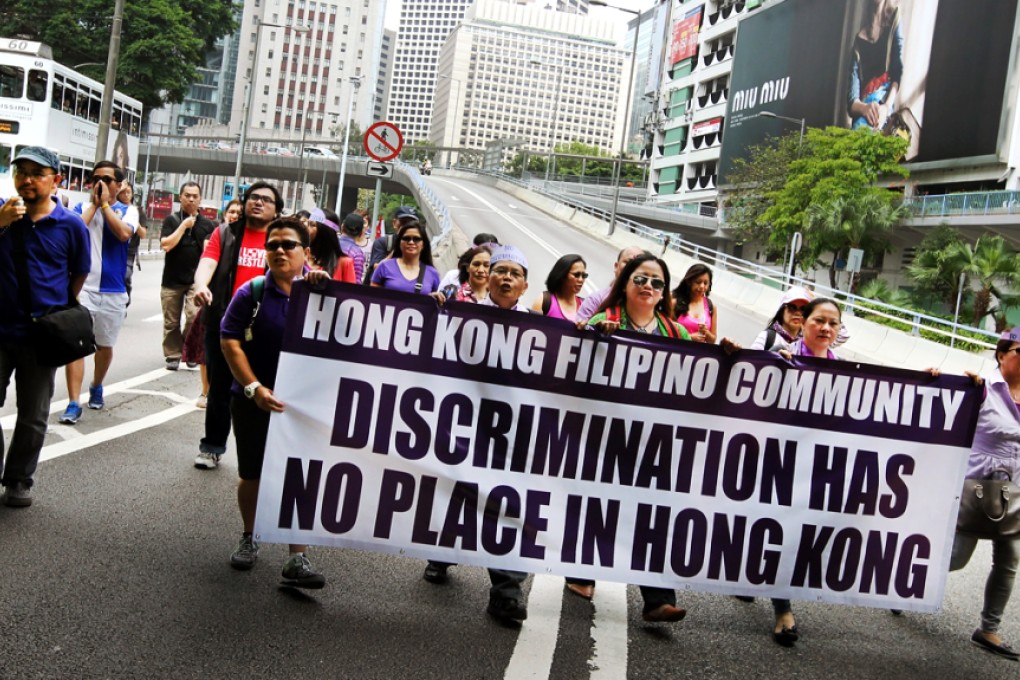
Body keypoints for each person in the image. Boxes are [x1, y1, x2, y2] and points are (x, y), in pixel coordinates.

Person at [573, 251, 690, 623]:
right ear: (625, 284)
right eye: (641, 279)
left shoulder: (677, 333)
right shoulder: (601, 320)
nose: (649, 287)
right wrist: (592, 337)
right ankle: (580, 572)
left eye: (657, 282)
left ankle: (657, 598)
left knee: (650, 516)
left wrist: (727, 353)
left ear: (664, 292)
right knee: (595, 506)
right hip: (602, 437)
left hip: (653, 444)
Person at [422, 245, 534, 625]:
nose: (504, 278)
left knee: (509, 505)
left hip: (515, 432)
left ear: (524, 286)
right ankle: (440, 553)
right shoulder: (465, 317)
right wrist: (434, 312)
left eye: (513, 274)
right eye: (498, 271)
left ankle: (507, 594)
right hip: (466, 423)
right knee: (458, 491)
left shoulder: (543, 330)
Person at [220, 216, 328, 588]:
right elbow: (229, 341)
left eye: (289, 245)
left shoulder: (323, 294)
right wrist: (254, 388)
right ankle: (250, 537)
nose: (279, 251)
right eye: (272, 245)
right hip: (253, 402)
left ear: (306, 252)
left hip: (303, 408)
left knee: (298, 476)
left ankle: (297, 557)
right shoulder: (250, 293)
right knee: (252, 473)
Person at [0, 147, 90, 507]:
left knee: (34, 414)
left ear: (56, 180)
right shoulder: (4, 214)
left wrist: (55, 312)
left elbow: (79, 273)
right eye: (21, 171)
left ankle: (19, 479)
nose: (27, 179)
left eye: (37, 172)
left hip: (41, 336)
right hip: (0, 330)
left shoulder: (70, 225)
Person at [191, 182, 282, 470]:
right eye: (253, 197)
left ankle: (270, 454)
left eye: (266, 200)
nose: (258, 202)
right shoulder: (226, 233)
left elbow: (299, 271)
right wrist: (201, 285)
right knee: (219, 387)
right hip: (224, 323)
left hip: (266, 328)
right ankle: (212, 446)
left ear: (277, 210)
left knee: (266, 387)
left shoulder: (280, 239)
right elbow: (207, 262)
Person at [948, 326, 1020, 661]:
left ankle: (988, 628)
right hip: (977, 487)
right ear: (1002, 354)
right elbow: (937, 413)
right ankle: (905, 586)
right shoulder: (982, 387)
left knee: (1008, 561)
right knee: (957, 558)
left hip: (1015, 491)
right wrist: (935, 380)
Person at [59, 161, 136, 425]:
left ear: (118, 184)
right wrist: (95, 205)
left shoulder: (128, 211)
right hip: (84, 289)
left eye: (107, 179)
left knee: (104, 345)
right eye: (96, 178)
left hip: (114, 291)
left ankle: (96, 384)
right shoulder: (81, 208)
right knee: (77, 346)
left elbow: (124, 234)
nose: (101, 183)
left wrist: (106, 206)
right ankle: (73, 402)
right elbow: (75, 232)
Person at [159, 182, 215, 371]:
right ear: (180, 197)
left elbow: (209, 253)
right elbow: (166, 245)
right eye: (187, 195)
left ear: (200, 199)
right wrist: (183, 225)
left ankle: (187, 348)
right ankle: (173, 354)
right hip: (172, 280)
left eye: (195, 196)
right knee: (171, 321)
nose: (191, 199)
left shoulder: (208, 224)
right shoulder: (171, 221)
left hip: (195, 281)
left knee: (193, 317)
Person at [848, 0, 903, 131]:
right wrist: (864, 108)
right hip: (864, 109)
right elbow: (851, 100)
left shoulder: (895, 19)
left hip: (884, 102)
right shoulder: (859, 40)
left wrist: (886, 106)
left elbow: (897, 72)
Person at [369, 220, 442, 299]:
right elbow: (372, 298)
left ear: (423, 244)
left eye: (416, 239)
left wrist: (431, 298)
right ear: (399, 242)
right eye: (406, 238)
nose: (411, 242)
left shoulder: (432, 273)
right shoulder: (384, 267)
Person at [576, 246, 644, 323]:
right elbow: (575, 330)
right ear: (616, 266)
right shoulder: (595, 300)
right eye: (628, 262)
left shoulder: (647, 304)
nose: (632, 267)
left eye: (638, 265)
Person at [364, 205, 419, 282]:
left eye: (412, 224)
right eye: (403, 222)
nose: (407, 227)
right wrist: (399, 246)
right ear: (394, 223)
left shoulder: (419, 247)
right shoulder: (383, 243)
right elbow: (377, 269)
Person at [750, 286, 814, 351]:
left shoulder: (808, 343)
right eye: (792, 308)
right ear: (782, 310)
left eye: (803, 309)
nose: (798, 313)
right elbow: (752, 359)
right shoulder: (766, 337)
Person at [532, 253, 586, 321]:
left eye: (584, 276)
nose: (581, 280)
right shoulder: (544, 301)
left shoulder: (585, 306)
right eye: (576, 275)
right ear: (562, 275)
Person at [307, 209, 356, 282]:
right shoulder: (300, 256)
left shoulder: (345, 262)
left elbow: (350, 292)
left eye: (312, 225)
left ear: (325, 231)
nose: (306, 229)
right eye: (307, 224)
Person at [672, 263, 717, 343]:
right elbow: (666, 333)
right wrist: (689, 337)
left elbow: (712, 341)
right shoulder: (675, 303)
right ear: (689, 282)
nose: (702, 286)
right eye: (698, 282)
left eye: (706, 283)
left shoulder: (711, 307)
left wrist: (706, 332)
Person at [117, 183, 144, 305]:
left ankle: (125, 300)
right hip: (115, 247)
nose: (126, 195)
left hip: (129, 251)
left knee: (126, 276)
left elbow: (143, 234)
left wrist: (135, 222)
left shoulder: (138, 212)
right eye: (123, 192)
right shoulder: (115, 209)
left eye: (128, 192)